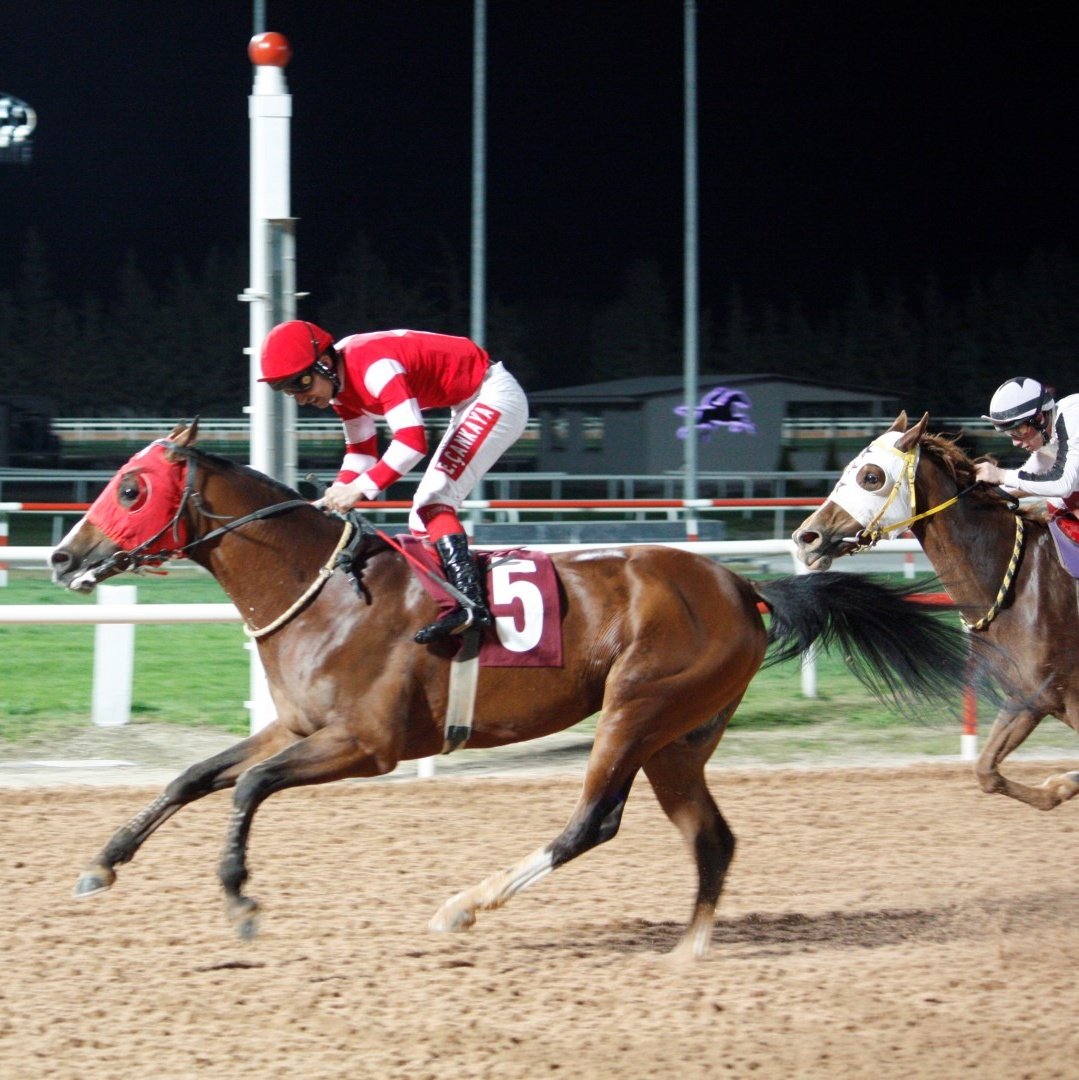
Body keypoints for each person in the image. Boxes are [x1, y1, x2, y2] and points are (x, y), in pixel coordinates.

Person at [259, 320, 529, 643]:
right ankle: (454, 604)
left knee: (433, 504)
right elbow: (361, 453)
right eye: (290, 392)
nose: (301, 399)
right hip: (470, 401)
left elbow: (413, 442)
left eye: (301, 384)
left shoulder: (373, 367)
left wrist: (359, 488)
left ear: (325, 364)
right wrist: (337, 490)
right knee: (421, 517)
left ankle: (470, 606)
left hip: (494, 396)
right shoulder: (341, 390)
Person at [975, 377, 1079, 528]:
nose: (1015, 442)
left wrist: (1001, 475)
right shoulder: (1049, 435)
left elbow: (1062, 484)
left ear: (1039, 418)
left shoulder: (1073, 417)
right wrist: (980, 495)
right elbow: (1025, 480)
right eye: (1009, 433)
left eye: (1019, 431)